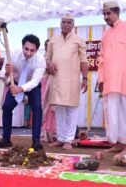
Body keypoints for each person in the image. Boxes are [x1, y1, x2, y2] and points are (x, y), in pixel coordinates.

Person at [98, 1, 126, 163]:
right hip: (110, 79)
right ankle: (118, 143)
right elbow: (102, 58)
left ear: (117, 12)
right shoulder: (105, 33)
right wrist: (101, 78)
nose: (105, 17)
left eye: (108, 13)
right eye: (104, 14)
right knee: (112, 112)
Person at [0, 34, 46, 151]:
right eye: (26, 49)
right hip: (15, 83)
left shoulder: (41, 61)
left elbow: (35, 81)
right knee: (7, 107)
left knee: (37, 108)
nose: (28, 53)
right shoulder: (12, 54)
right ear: (22, 46)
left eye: (32, 50)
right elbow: (3, 74)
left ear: (37, 50)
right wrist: (7, 75)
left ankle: (36, 141)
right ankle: (6, 139)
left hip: (32, 86)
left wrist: (21, 89)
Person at [46, 14, 88, 150]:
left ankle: (68, 140)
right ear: (60, 23)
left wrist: (85, 78)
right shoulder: (53, 40)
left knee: (71, 110)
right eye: (63, 22)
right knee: (59, 110)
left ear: (73, 25)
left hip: (72, 80)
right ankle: (60, 138)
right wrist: (49, 64)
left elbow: (84, 60)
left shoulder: (79, 40)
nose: (66, 24)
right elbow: (47, 58)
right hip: (57, 78)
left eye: (69, 22)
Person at [40, 39, 56, 143]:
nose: (47, 47)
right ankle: (43, 132)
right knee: (42, 107)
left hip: (53, 84)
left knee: (52, 109)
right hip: (43, 84)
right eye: (46, 45)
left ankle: (51, 131)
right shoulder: (41, 58)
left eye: (49, 45)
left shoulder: (55, 58)